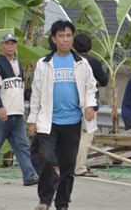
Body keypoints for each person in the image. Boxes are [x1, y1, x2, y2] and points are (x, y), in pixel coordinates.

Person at [27, 20, 98, 210]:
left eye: (68, 35)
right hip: (49, 121)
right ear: (54, 39)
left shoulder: (82, 64)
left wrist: (91, 105)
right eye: (61, 36)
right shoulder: (44, 64)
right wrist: (32, 119)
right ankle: (44, 199)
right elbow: (36, 93)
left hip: (72, 122)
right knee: (47, 159)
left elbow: (91, 87)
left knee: (68, 166)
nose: (65, 39)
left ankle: (62, 203)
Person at [0, 33, 38, 186]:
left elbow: (18, 88)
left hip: (17, 114)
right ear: (2, 46)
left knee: (22, 146)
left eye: (13, 43)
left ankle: (29, 176)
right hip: (1, 114)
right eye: (7, 43)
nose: (10, 46)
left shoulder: (18, 63)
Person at [73, 33, 108, 178]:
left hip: (72, 102)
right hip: (89, 103)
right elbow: (104, 80)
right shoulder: (93, 62)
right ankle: (80, 167)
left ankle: (66, 164)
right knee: (86, 135)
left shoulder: (71, 60)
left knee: (71, 136)